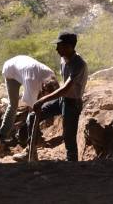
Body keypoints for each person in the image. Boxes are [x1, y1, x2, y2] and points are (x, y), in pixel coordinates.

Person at [25, 32, 88, 162]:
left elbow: (66, 88)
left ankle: (71, 164)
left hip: (72, 103)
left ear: (70, 46)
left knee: (68, 137)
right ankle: (31, 151)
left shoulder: (79, 64)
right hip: (62, 100)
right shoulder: (63, 58)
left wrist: (42, 100)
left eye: (60, 46)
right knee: (32, 117)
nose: (57, 49)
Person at [0, 55, 56, 142]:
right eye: (46, 95)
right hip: (11, 71)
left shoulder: (51, 75)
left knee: (36, 101)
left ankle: (25, 132)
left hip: (23, 67)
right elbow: (32, 110)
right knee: (13, 105)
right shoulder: (32, 83)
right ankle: (3, 135)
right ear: (43, 88)